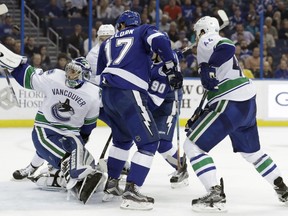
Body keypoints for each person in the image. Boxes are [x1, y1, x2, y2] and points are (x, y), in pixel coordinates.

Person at [183, 15, 288, 212]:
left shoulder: (208, 38)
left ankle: (214, 194)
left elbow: (228, 46)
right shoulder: (207, 46)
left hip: (229, 99)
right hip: (245, 103)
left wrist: (208, 66)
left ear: (202, 30)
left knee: (192, 146)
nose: (196, 37)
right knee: (253, 153)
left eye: (197, 33)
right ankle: (282, 188)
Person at [96, 10, 183, 210]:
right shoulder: (143, 30)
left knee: (122, 140)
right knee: (150, 142)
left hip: (108, 94)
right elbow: (161, 41)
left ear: (120, 25)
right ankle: (132, 191)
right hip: (129, 92)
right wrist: (170, 66)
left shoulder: (107, 42)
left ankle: (112, 185)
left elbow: (100, 72)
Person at [1, 46, 104, 204]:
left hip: (71, 133)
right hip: (45, 129)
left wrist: (82, 141)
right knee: (66, 157)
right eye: (69, 70)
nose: (69, 74)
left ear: (84, 75)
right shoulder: (55, 76)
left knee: (84, 158)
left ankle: (70, 175)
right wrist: (15, 66)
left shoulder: (93, 94)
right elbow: (28, 78)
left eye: (74, 72)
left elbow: (89, 124)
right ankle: (70, 172)